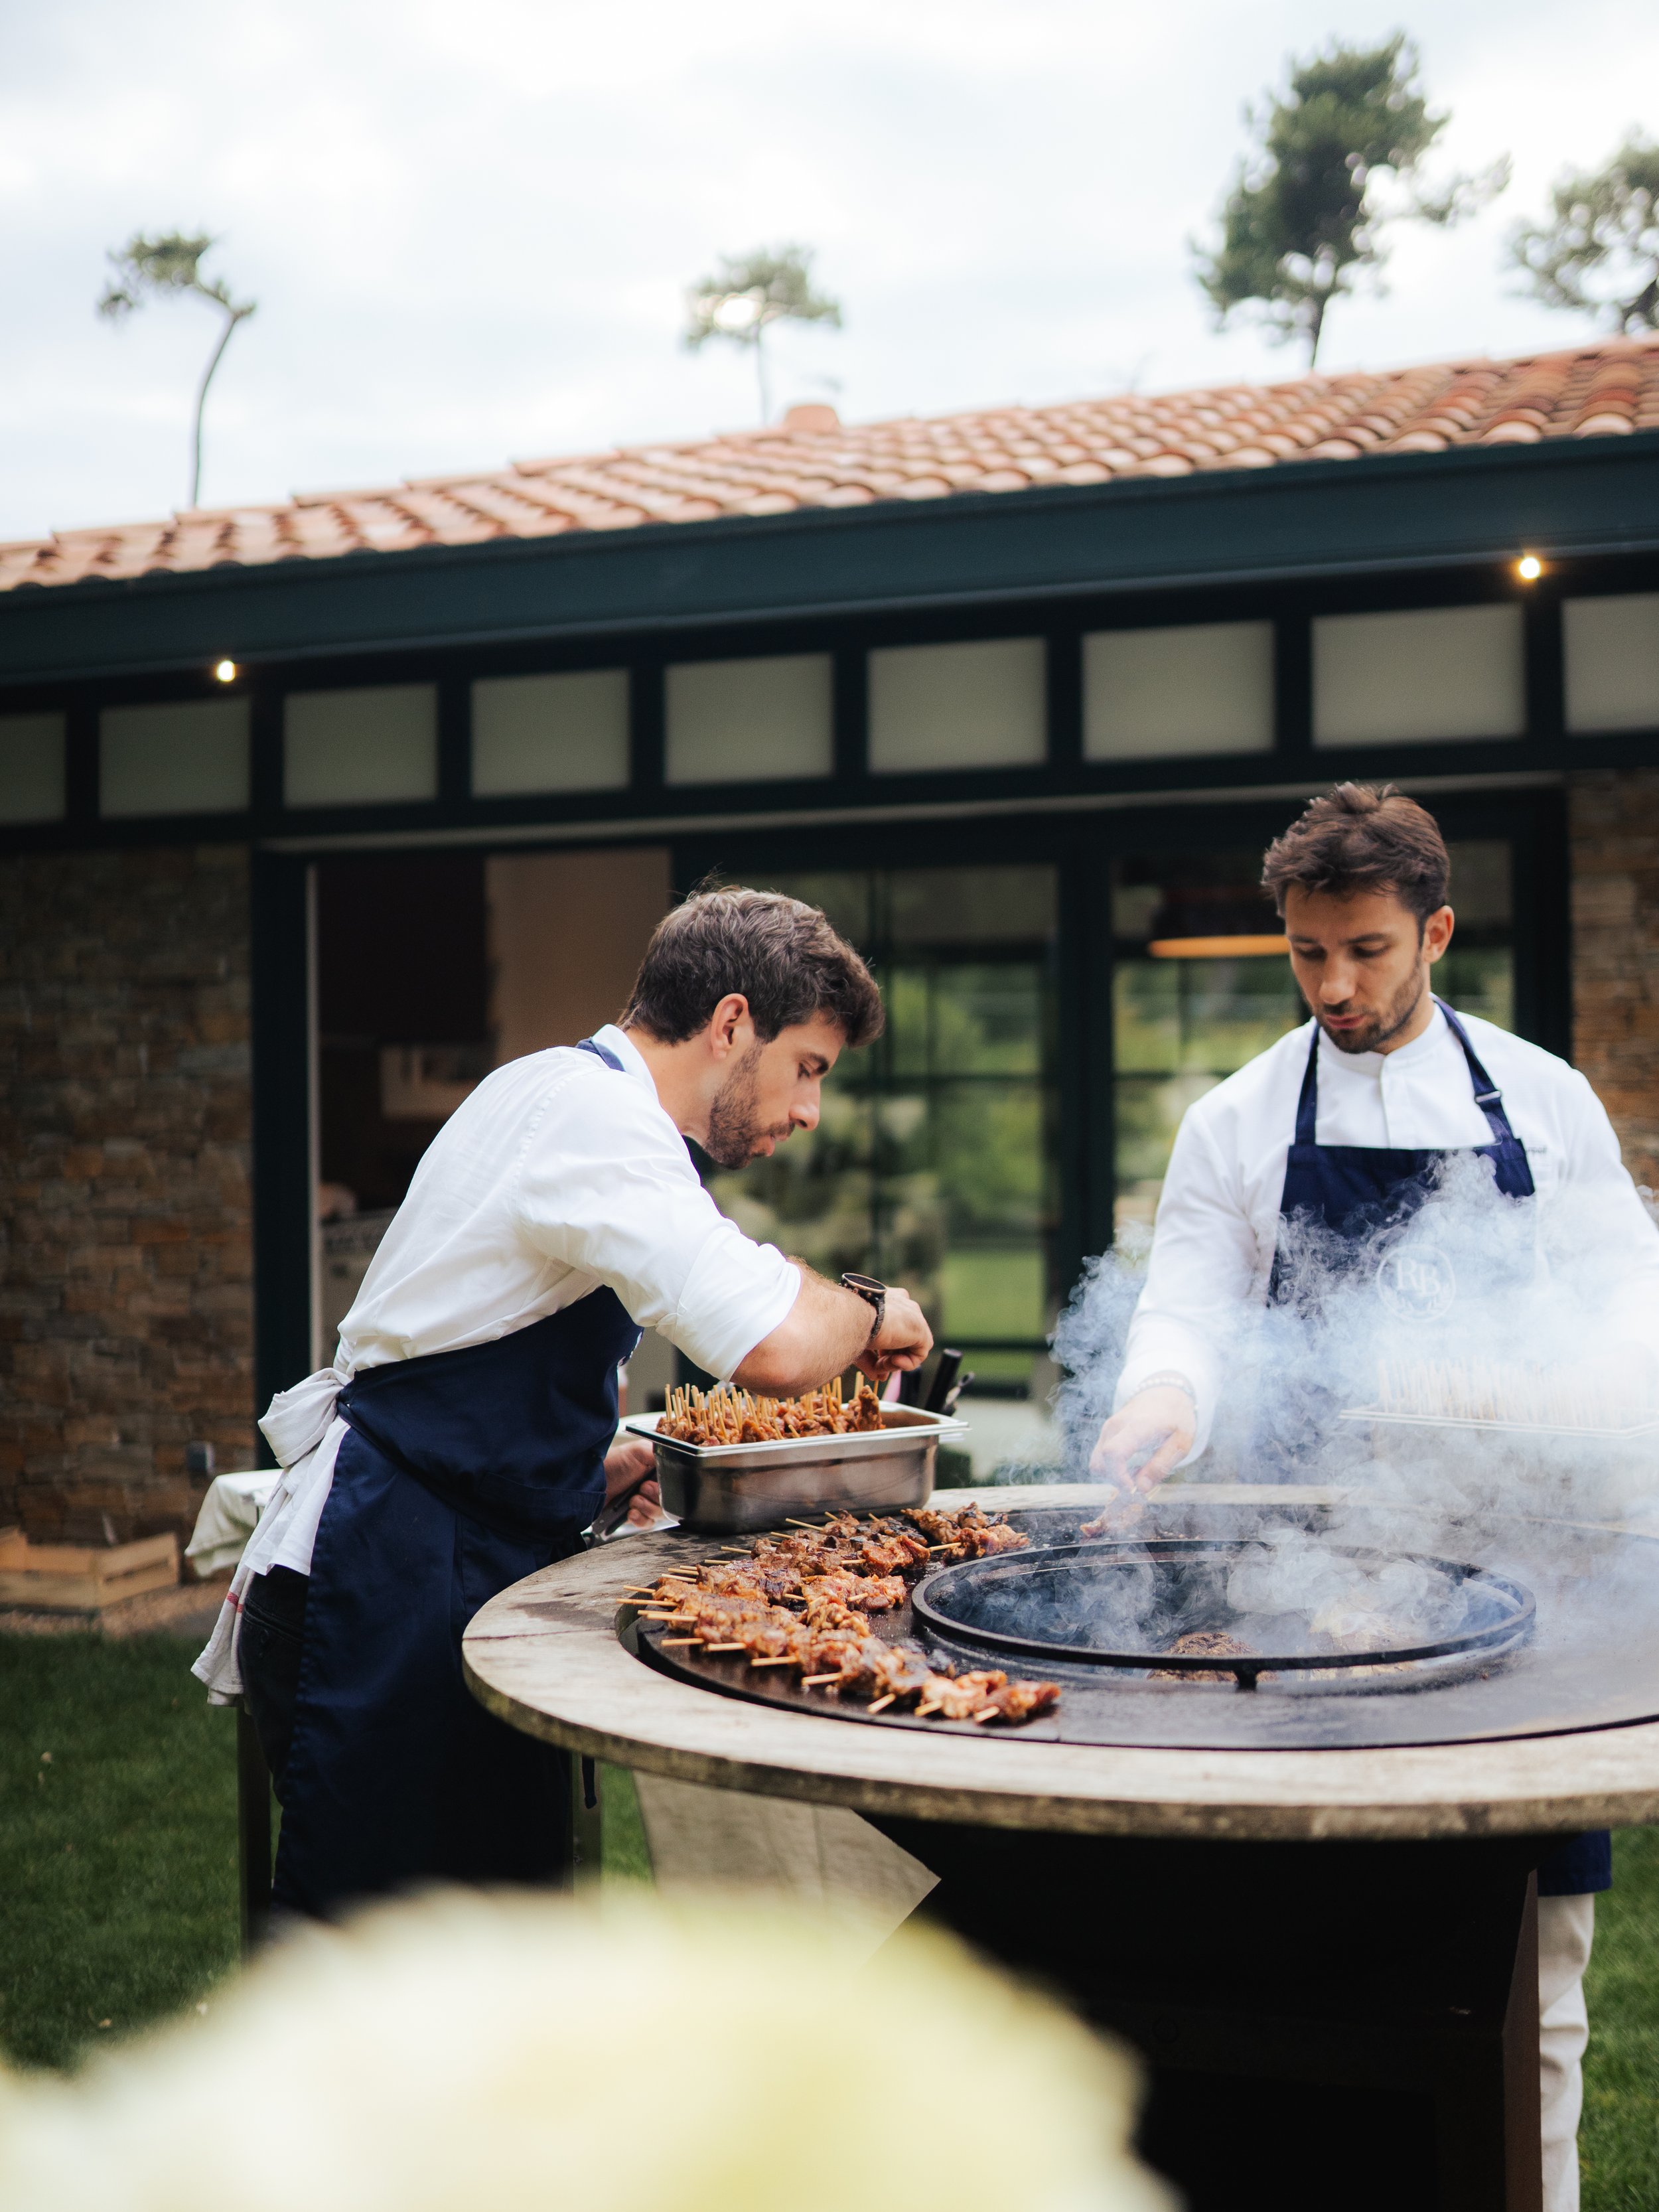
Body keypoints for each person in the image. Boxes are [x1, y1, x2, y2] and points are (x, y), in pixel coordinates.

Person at [1091, 784, 1659, 2212]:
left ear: (1435, 932)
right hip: (1295, 1576)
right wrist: (1158, 1399)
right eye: (1303, 953)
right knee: (1295, 1953)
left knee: (1532, 1970)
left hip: (1508, 1575)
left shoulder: (1542, 1099)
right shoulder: (1233, 1119)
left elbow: (1625, 1311)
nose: (1332, 985)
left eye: (1363, 949)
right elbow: (1186, 1312)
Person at [194, 886, 933, 1921]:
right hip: (381, 1582)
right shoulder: (594, 1120)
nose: (809, 1111)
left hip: (447, 1562)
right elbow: (771, 1343)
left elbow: (461, 1355)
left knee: (502, 1959)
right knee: (366, 1977)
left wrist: (583, 1472)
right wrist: (872, 1310)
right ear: (731, 1025)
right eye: (807, 1067)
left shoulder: (569, 1097)